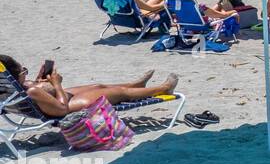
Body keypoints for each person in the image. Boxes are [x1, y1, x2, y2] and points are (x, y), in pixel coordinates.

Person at [0, 54, 178, 118]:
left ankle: (137, 84)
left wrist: (41, 80)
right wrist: (57, 84)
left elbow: (38, 94)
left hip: (56, 98)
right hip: (68, 106)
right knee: (120, 93)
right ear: (17, 76)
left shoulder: (10, 87)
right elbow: (61, 109)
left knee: (97, 85)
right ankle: (163, 88)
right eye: (24, 71)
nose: (26, 73)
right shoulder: (30, 91)